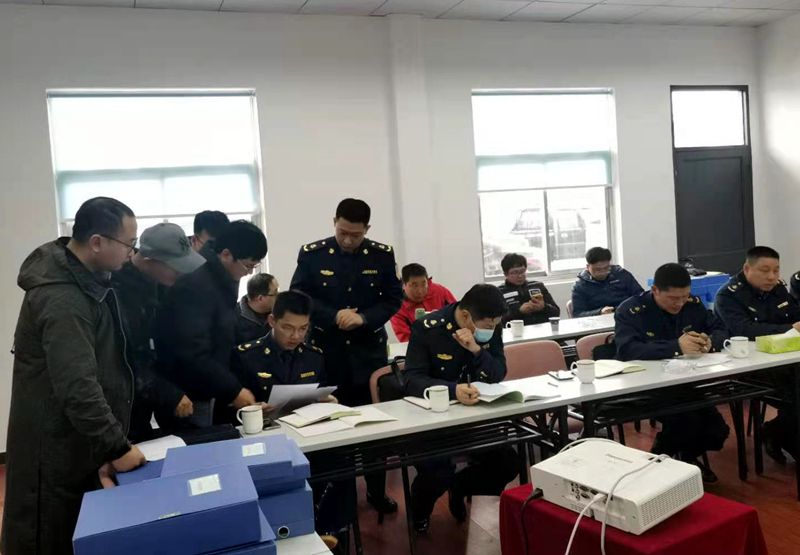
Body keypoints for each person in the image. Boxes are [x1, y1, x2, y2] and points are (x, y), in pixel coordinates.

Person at [2, 197, 146, 555]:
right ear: (97, 242)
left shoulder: (87, 281)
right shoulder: (63, 298)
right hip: (52, 451)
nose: (132, 253)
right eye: (129, 244)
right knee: (49, 538)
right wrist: (117, 447)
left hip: (76, 443)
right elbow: (77, 387)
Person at [290, 198, 403, 515]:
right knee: (331, 426)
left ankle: (376, 492)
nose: (348, 240)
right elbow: (299, 295)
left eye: (356, 234)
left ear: (367, 229)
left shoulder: (382, 255)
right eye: (343, 232)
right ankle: (337, 498)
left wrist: (364, 318)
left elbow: (393, 299)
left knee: (373, 428)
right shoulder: (313, 254)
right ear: (334, 223)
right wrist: (333, 315)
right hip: (328, 355)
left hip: (368, 355)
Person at [403, 284, 519, 533]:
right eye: (487, 325)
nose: (491, 329)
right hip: (433, 420)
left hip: (474, 417)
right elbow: (412, 379)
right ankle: (420, 512)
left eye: (495, 324)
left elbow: (497, 373)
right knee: (437, 472)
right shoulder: (428, 328)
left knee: (507, 462)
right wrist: (452, 390)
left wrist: (476, 350)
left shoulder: (490, 327)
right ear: (466, 316)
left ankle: (462, 487)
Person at [615, 263, 730, 482]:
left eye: (684, 297)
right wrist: (676, 347)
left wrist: (709, 342)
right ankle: (659, 463)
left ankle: (684, 459)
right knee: (686, 422)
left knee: (718, 431)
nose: (680, 303)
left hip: (685, 382)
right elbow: (628, 350)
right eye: (673, 298)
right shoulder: (632, 310)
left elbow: (720, 329)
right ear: (655, 290)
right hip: (646, 385)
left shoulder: (692, 305)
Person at [156, 220, 268, 428]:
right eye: (248, 265)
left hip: (213, 387)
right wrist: (233, 390)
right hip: (190, 395)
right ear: (226, 254)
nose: (250, 273)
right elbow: (193, 351)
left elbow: (224, 337)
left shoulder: (223, 279)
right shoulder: (197, 285)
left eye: (255, 266)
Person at [111, 222, 206, 442]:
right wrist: (168, 393)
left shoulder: (158, 284)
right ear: (149, 260)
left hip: (152, 396)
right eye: (175, 266)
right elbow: (125, 360)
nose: (181, 272)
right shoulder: (119, 294)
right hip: (123, 409)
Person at [715, 246, 800, 462]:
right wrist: (790, 328)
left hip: (784, 361)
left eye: (776, 270)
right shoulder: (728, 296)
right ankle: (780, 435)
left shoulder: (778, 289)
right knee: (796, 395)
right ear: (747, 268)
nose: (772, 277)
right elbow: (744, 330)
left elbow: (794, 314)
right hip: (750, 368)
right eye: (764, 270)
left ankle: (774, 431)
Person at [232, 290, 325, 402]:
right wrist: (253, 409)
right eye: (288, 328)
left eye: (303, 328)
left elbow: (320, 394)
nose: (296, 336)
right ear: (272, 321)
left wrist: (328, 403)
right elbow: (229, 406)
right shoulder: (246, 357)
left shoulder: (314, 357)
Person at [390, 263, 457, 342]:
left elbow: (457, 313)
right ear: (403, 285)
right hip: (419, 346)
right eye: (414, 285)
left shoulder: (439, 291)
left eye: (423, 284)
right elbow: (406, 339)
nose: (420, 291)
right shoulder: (397, 307)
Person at [571, 247, 643, 317]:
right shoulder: (580, 286)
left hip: (627, 315)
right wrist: (599, 312)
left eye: (606, 268)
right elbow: (578, 314)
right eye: (598, 269)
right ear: (588, 267)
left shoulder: (621, 274)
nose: (603, 272)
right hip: (600, 320)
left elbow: (641, 296)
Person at [497, 253, 559, 325]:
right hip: (516, 330)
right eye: (515, 272)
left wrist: (544, 307)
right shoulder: (499, 292)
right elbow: (498, 321)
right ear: (505, 274)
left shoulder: (537, 286)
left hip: (542, 328)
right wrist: (519, 311)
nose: (520, 276)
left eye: (522, 271)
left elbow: (556, 313)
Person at [236, 273, 279, 344]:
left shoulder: (279, 312)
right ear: (260, 298)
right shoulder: (233, 318)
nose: (278, 296)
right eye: (275, 293)